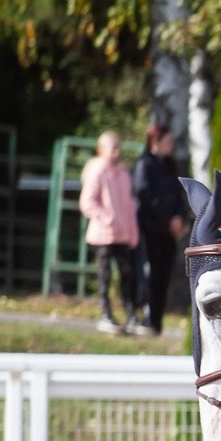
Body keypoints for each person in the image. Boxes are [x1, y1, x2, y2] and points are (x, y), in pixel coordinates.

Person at [78, 131, 141, 335]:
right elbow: (87, 202)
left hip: (122, 236)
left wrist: (132, 232)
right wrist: (108, 219)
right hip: (103, 235)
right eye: (112, 147)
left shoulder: (123, 174)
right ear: (101, 149)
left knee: (127, 276)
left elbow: (129, 206)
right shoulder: (97, 171)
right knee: (104, 276)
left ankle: (131, 314)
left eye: (118, 147)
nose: (117, 151)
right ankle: (106, 313)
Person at [132, 123, 191, 336]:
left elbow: (178, 196)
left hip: (168, 232)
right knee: (150, 274)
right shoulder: (144, 165)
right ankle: (145, 317)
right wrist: (167, 221)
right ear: (155, 142)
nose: (171, 146)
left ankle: (156, 322)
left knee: (164, 275)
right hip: (150, 230)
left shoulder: (169, 165)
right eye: (168, 142)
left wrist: (180, 219)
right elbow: (144, 197)